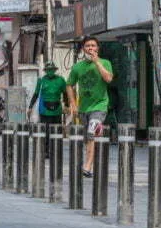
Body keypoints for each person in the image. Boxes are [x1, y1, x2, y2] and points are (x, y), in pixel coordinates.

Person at [66, 36, 114, 178]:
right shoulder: (77, 67)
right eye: (88, 46)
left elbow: (108, 79)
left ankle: (87, 166)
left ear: (97, 48)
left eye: (93, 45)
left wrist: (97, 62)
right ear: (83, 49)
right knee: (88, 137)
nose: (91, 48)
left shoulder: (105, 62)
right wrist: (73, 103)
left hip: (100, 105)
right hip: (84, 108)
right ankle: (91, 164)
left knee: (91, 132)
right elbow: (69, 85)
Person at [29, 61, 67, 156]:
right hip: (44, 110)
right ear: (46, 71)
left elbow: (65, 93)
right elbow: (36, 94)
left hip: (57, 109)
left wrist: (66, 105)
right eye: (48, 70)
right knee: (45, 132)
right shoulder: (41, 80)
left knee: (57, 131)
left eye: (52, 70)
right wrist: (30, 107)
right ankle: (46, 151)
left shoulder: (61, 80)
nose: (50, 71)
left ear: (55, 70)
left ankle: (57, 150)